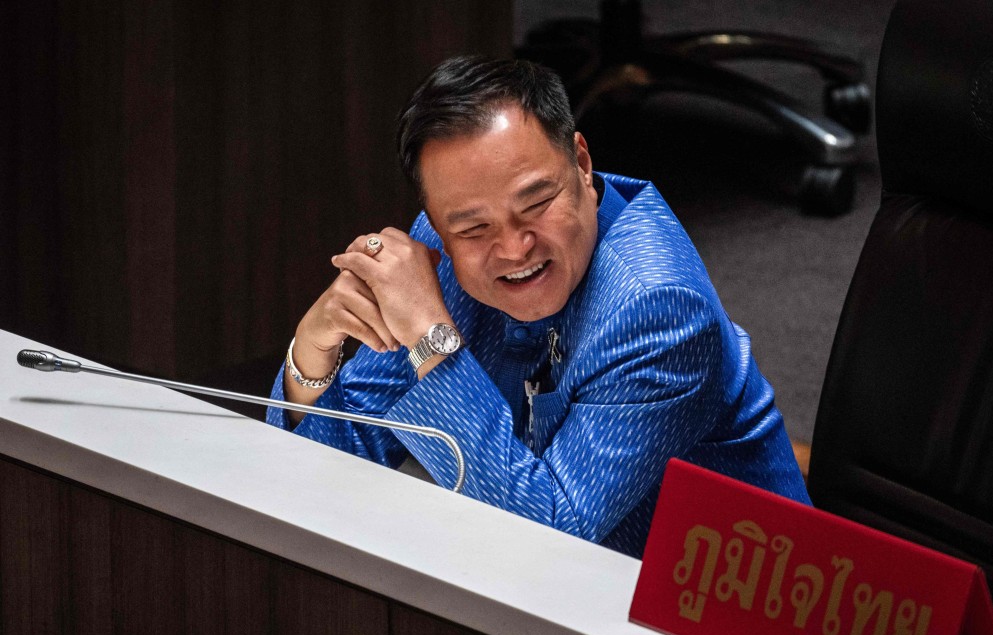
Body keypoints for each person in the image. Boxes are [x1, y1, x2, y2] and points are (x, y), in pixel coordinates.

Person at [266, 55, 810, 558]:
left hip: (720, 599)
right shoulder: (439, 252)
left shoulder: (661, 311)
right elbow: (328, 469)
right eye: (473, 228)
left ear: (582, 162)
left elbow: (549, 535)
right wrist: (312, 350)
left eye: (537, 203)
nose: (514, 249)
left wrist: (431, 338)